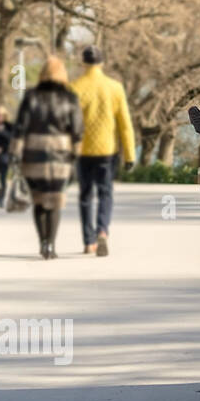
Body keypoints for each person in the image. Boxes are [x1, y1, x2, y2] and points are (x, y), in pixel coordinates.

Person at [11, 56, 83, 259]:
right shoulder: (70, 97)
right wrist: (76, 155)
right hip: (60, 154)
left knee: (39, 199)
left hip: (33, 153)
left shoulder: (31, 96)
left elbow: (20, 127)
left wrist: (15, 152)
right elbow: (77, 130)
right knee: (55, 199)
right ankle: (51, 244)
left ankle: (42, 242)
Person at [71, 45, 136, 256]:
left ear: (84, 63)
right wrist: (130, 154)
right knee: (105, 193)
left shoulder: (75, 88)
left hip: (83, 151)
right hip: (107, 150)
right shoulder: (114, 87)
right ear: (101, 63)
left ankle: (89, 242)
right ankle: (102, 231)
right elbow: (125, 123)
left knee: (85, 196)